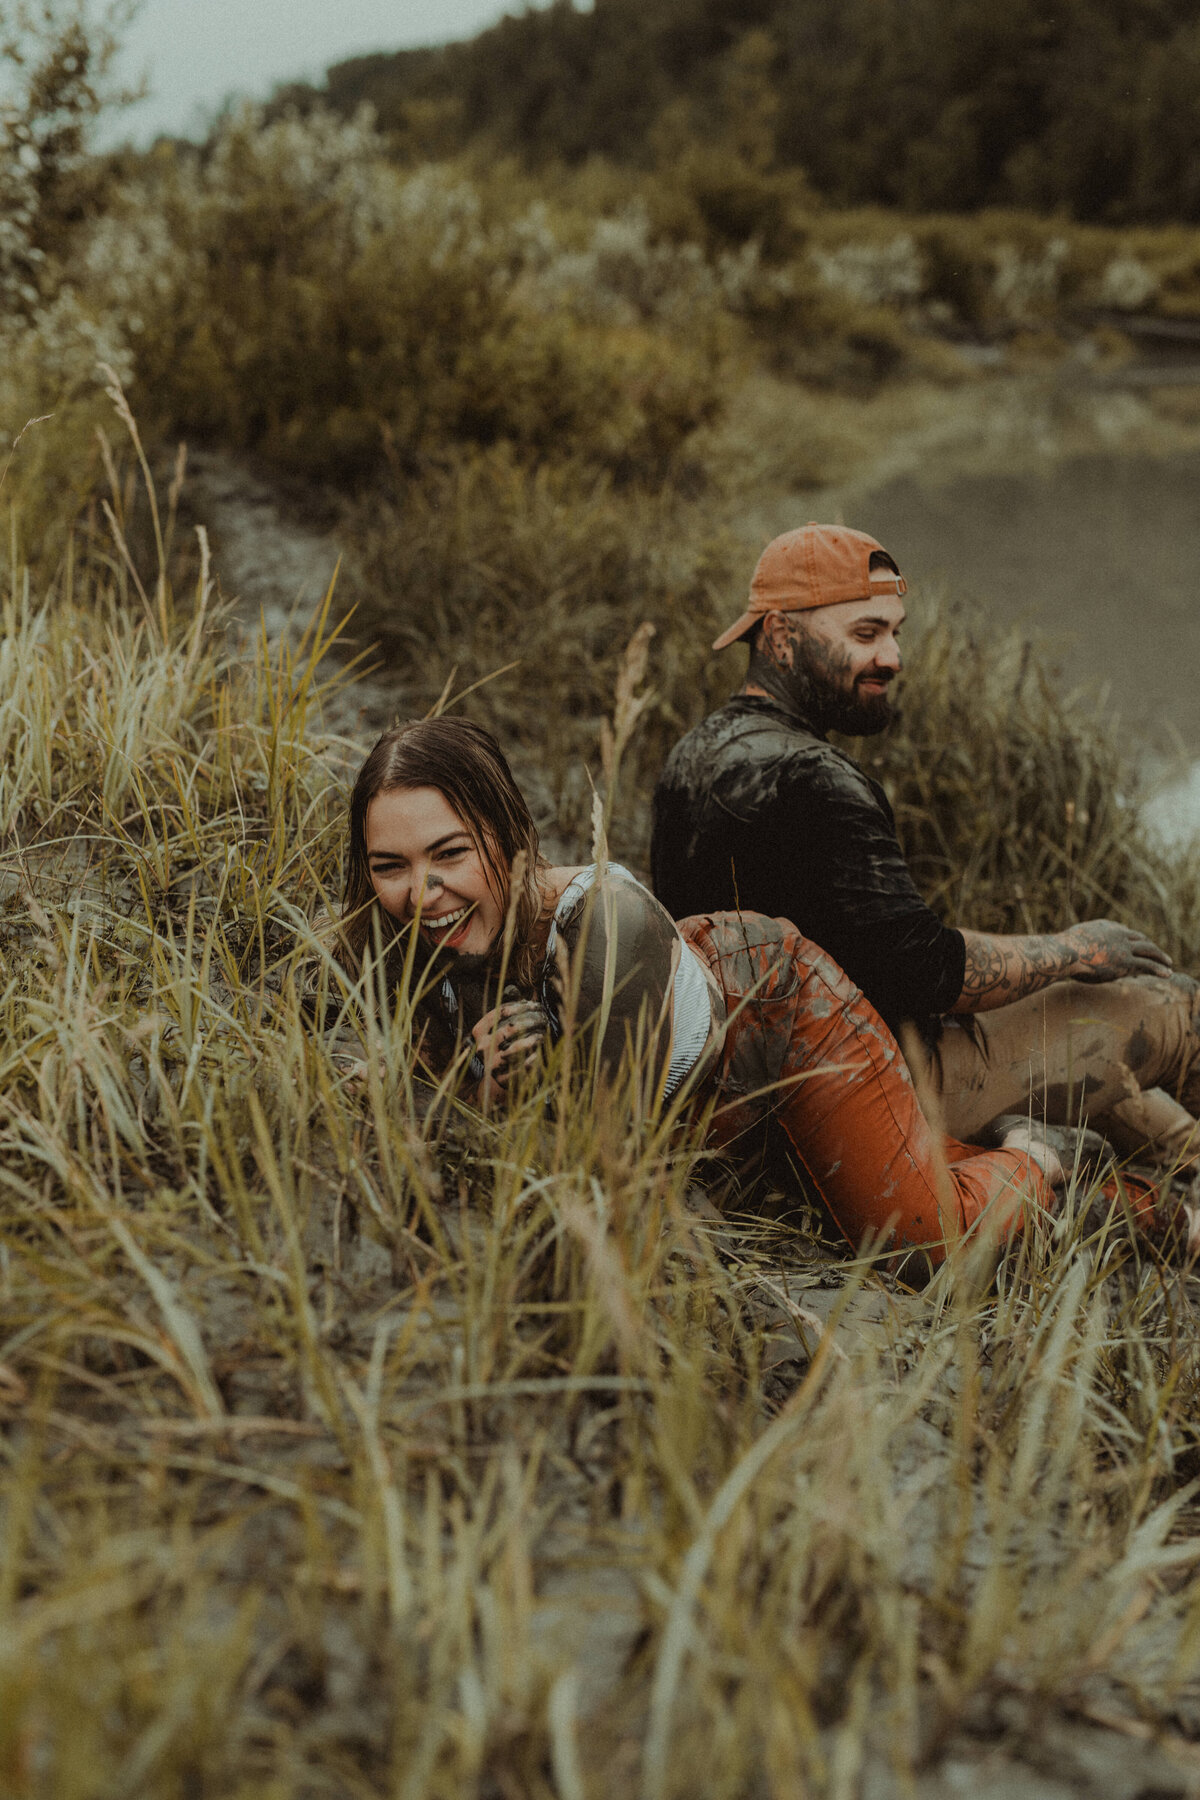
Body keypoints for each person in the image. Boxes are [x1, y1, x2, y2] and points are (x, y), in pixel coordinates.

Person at [338, 716, 1146, 1269]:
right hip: (691, 1090)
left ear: (509, 839)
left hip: (775, 1011)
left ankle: (1046, 1154)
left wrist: (501, 1088)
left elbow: (610, 1177)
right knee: (853, 1191)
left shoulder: (604, 925)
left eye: (449, 853)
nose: (423, 891)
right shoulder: (391, 929)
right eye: (390, 866)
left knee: (916, 1243)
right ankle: (1134, 1208)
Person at [650, 521, 1200, 1169]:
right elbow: (925, 973)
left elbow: (877, 948)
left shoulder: (693, 755)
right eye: (865, 634)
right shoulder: (819, 779)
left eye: (894, 631)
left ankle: (1185, 1174)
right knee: (1176, 1007)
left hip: (753, 1084)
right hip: (867, 1088)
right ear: (779, 635)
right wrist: (1079, 948)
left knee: (1079, 1024)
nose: (892, 657)